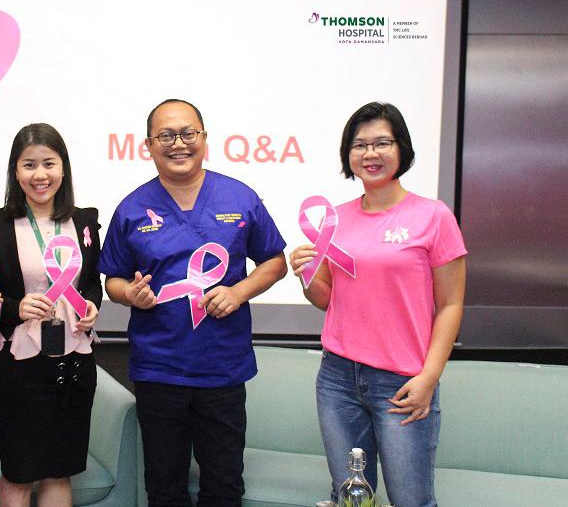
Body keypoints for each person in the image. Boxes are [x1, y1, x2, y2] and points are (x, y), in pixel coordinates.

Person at [99, 99, 287, 507]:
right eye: (166, 136)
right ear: (148, 145)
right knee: (164, 488)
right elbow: (111, 279)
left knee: (223, 485)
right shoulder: (131, 209)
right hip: (158, 370)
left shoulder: (240, 197)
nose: (178, 144)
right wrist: (129, 295)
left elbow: (275, 261)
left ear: (204, 138)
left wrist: (239, 292)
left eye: (188, 133)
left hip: (221, 368)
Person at [290, 102, 466, 507]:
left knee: (411, 500)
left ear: (401, 148)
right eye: (360, 145)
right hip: (337, 379)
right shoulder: (336, 218)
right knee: (351, 497)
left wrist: (429, 378)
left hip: (403, 383)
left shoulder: (433, 217)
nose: (370, 154)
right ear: (348, 155)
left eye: (382, 143)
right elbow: (329, 301)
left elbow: (451, 305)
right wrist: (306, 275)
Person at [0, 123, 102, 507]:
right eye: (29, 165)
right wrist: (16, 307)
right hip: (18, 364)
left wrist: (93, 306)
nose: (40, 174)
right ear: (15, 171)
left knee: (59, 471)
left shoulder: (84, 221)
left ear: (63, 168)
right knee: (18, 473)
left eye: (49, 163)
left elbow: (92, 283)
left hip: (74, 363)